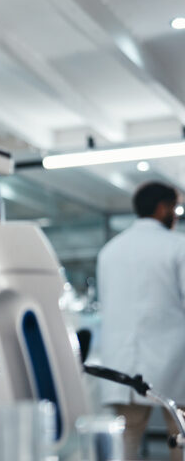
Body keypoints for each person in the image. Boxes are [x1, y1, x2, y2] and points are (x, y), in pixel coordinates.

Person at [97, 181, 185, 461]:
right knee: (180, 440)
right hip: (174, 363)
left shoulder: (109, 251)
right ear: (163, 208)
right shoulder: (178, 246)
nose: (177, 214)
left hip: (122, 365)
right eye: (176, 207)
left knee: (125, 444)